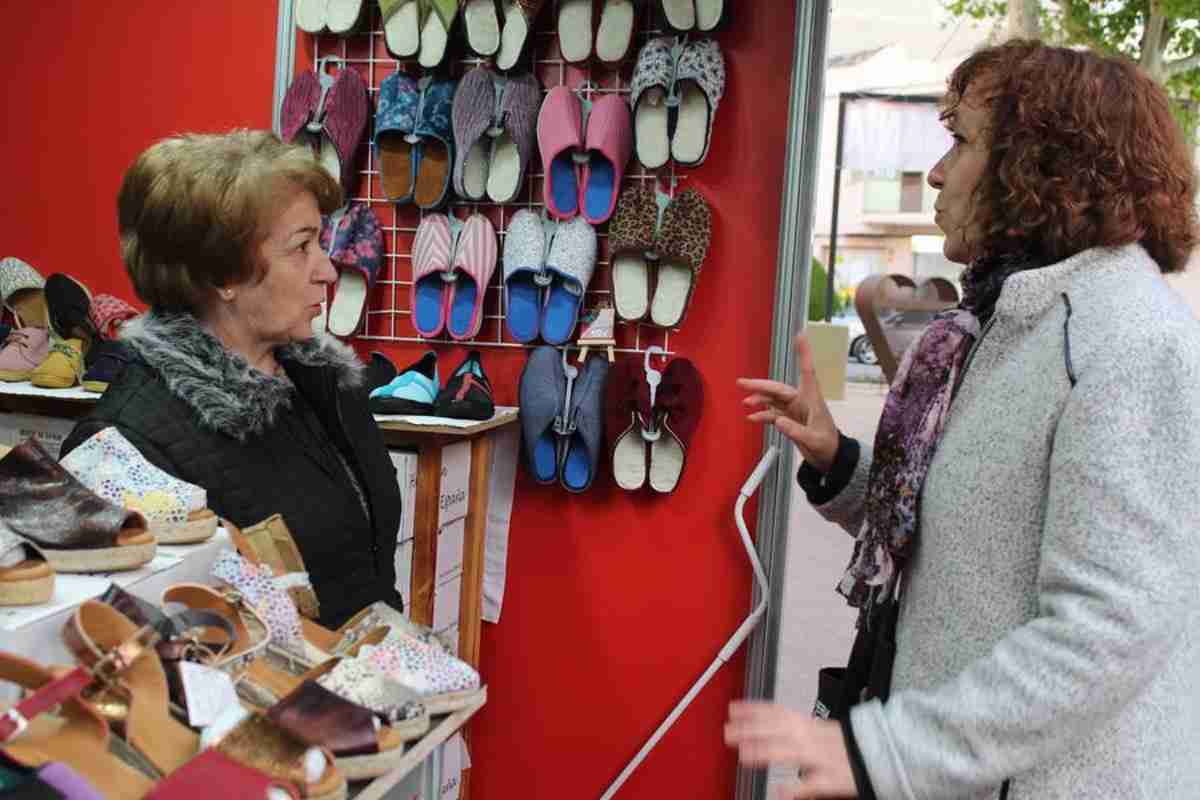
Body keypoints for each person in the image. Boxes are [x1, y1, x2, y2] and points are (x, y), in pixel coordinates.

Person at [726, 40, 1200, 799]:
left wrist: (890, 752)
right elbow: (974, 534)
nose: (938, 172)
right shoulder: (1007, 324)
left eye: (962, 141)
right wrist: (840, 465)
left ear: (1042, 166)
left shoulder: (1125, 338)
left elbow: (1112, 627)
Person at [60, 131, 402, 629]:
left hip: (370, 688)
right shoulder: (126, 445)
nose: (328, 270)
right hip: (276, 704)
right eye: (301, 246)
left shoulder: (323, 382)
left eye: (320, 242)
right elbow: (157, 656)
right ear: (223, 274)